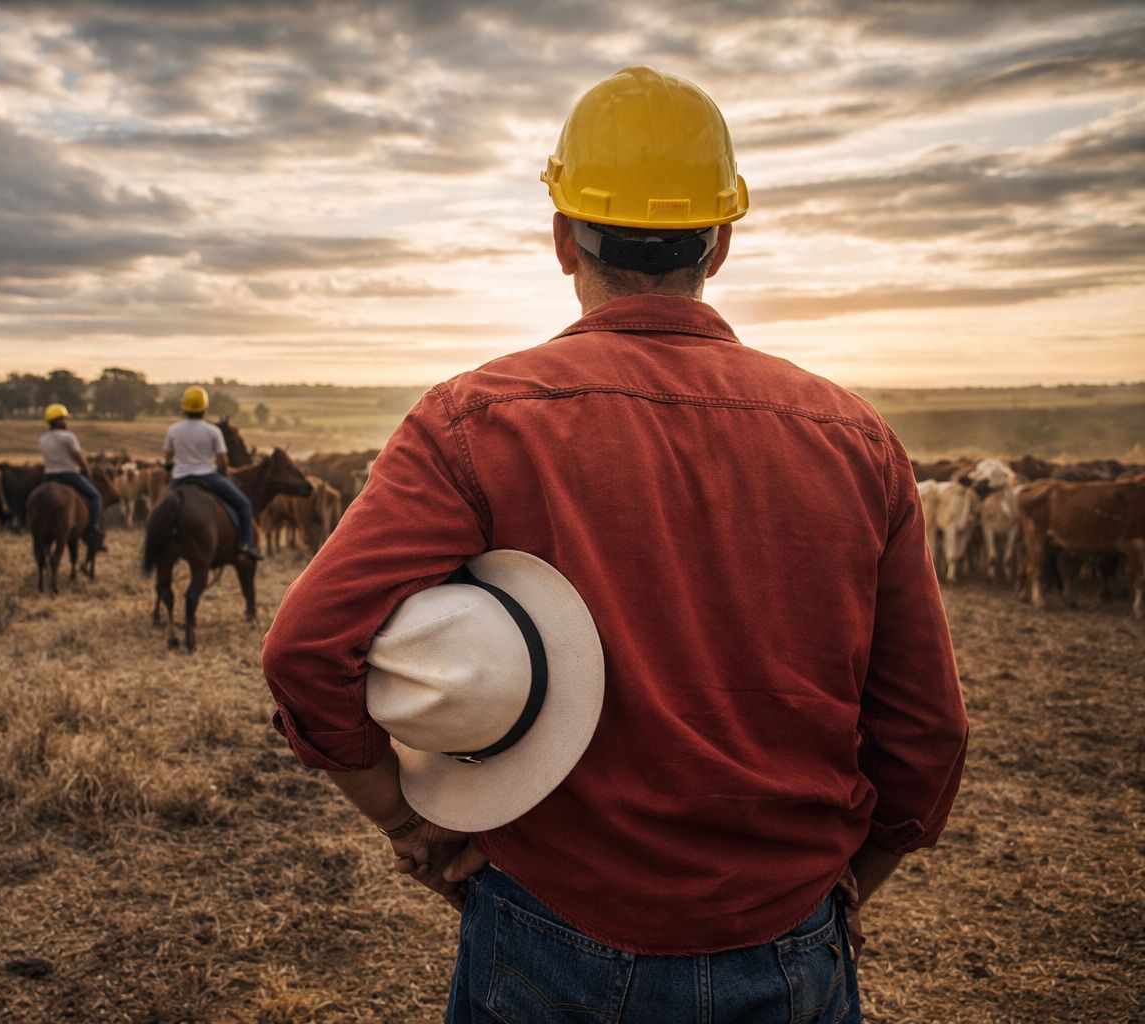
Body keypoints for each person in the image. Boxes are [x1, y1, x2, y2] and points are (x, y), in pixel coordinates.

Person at [261, 66, 968, 1023]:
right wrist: (852, 883)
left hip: (544, 927)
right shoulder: (859, 441)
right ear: (719, 242)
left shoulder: (475, 423)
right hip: (789, 937)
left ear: (563, 238)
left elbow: (307, 651)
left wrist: (407, 819)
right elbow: (928, 733)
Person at [164, 385, 262, 560]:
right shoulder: (212, 431)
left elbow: (168, 459)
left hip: (180, 478)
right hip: (208, 477)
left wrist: (172, 470)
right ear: (205, 407)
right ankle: (245, 544)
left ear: (183, 407)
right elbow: (223, 461)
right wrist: (225, 472)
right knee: (244, 505)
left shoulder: (173, 430)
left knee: (159, 508)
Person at [39, 403, 106, 552]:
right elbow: (78, 457)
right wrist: (87, 470)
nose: (66, 422)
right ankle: (93, 527)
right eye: (63, 419)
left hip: (49, 477)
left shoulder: (43, 439)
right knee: (96, 497)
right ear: (57, 420)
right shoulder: (69, 437)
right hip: (68, 475)